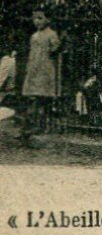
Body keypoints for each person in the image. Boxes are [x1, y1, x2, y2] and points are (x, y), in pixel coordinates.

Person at [20, 8, 60, 146]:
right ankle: (30, 126)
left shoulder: (51, 34)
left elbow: (55, 50)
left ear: (47, 19)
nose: (37, 21)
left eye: (40, 18)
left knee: (42, 98)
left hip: (45, 69)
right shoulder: (34, 36)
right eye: (35, 18)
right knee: (32, 98)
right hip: (34, 69)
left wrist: (54, 50)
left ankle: (41, 126)